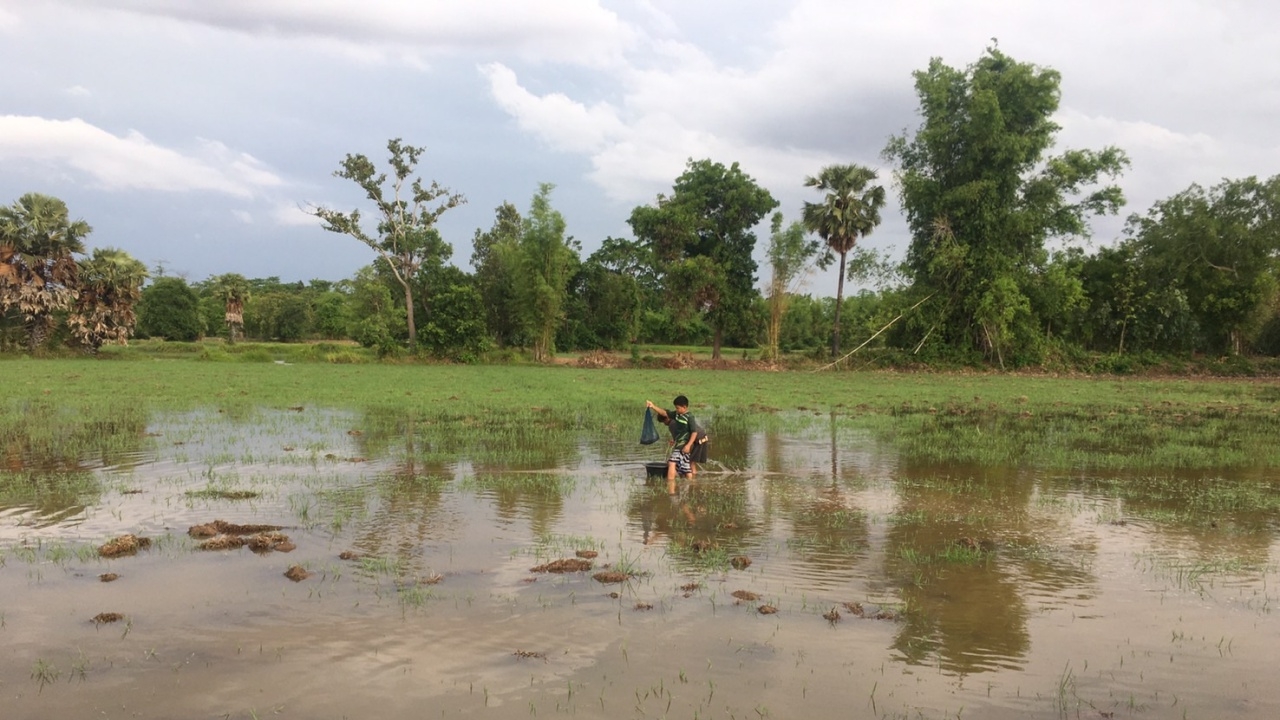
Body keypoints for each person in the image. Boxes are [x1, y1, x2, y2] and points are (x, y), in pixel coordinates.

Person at [645, 395, 701, 494]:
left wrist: (688, 445)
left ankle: (671, 490)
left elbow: (694, 432)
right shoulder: (677, 415)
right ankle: (690, 488)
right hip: (680, 444)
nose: (676, 410)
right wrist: (653, 406)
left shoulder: (690, 417)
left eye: (678, 408)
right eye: (676, 408)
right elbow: (664, 413)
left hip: (683, 445)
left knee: (671, 463)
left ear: (684, 407)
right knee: (686, 469)